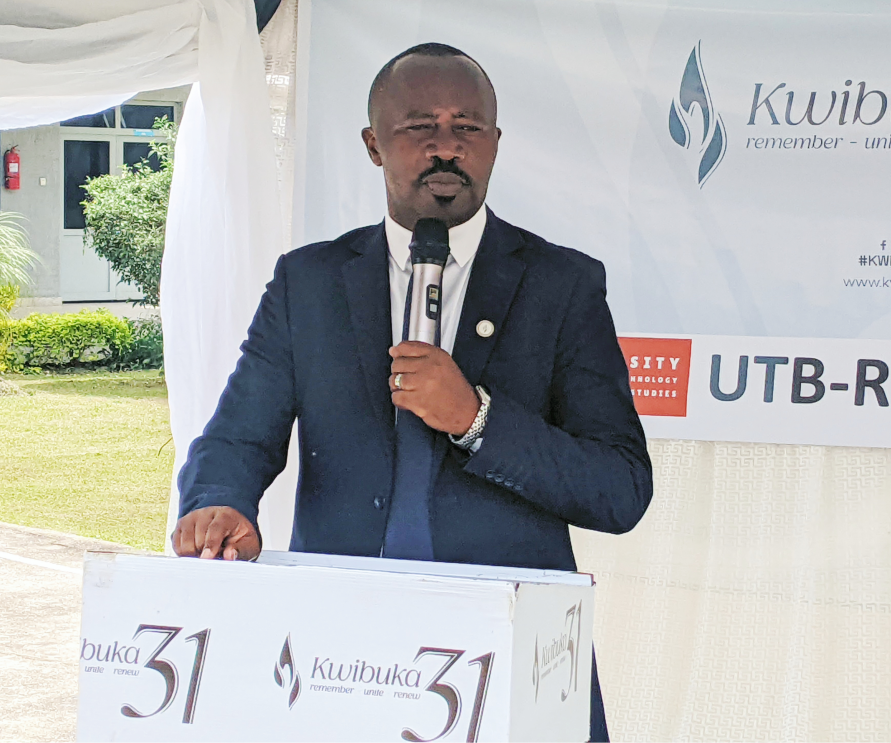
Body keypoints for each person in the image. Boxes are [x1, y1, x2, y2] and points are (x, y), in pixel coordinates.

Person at [172, 42, 652, 741]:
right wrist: (219, 501)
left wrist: (478, 419)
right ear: (374, 144)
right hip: (342, 653)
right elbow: (239, 434)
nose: (447, 147)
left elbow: (620, 487)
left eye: (468, 128)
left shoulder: (563, 286)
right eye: (420, 127)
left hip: (510, 657)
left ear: (495, 143)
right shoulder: (307, 283)